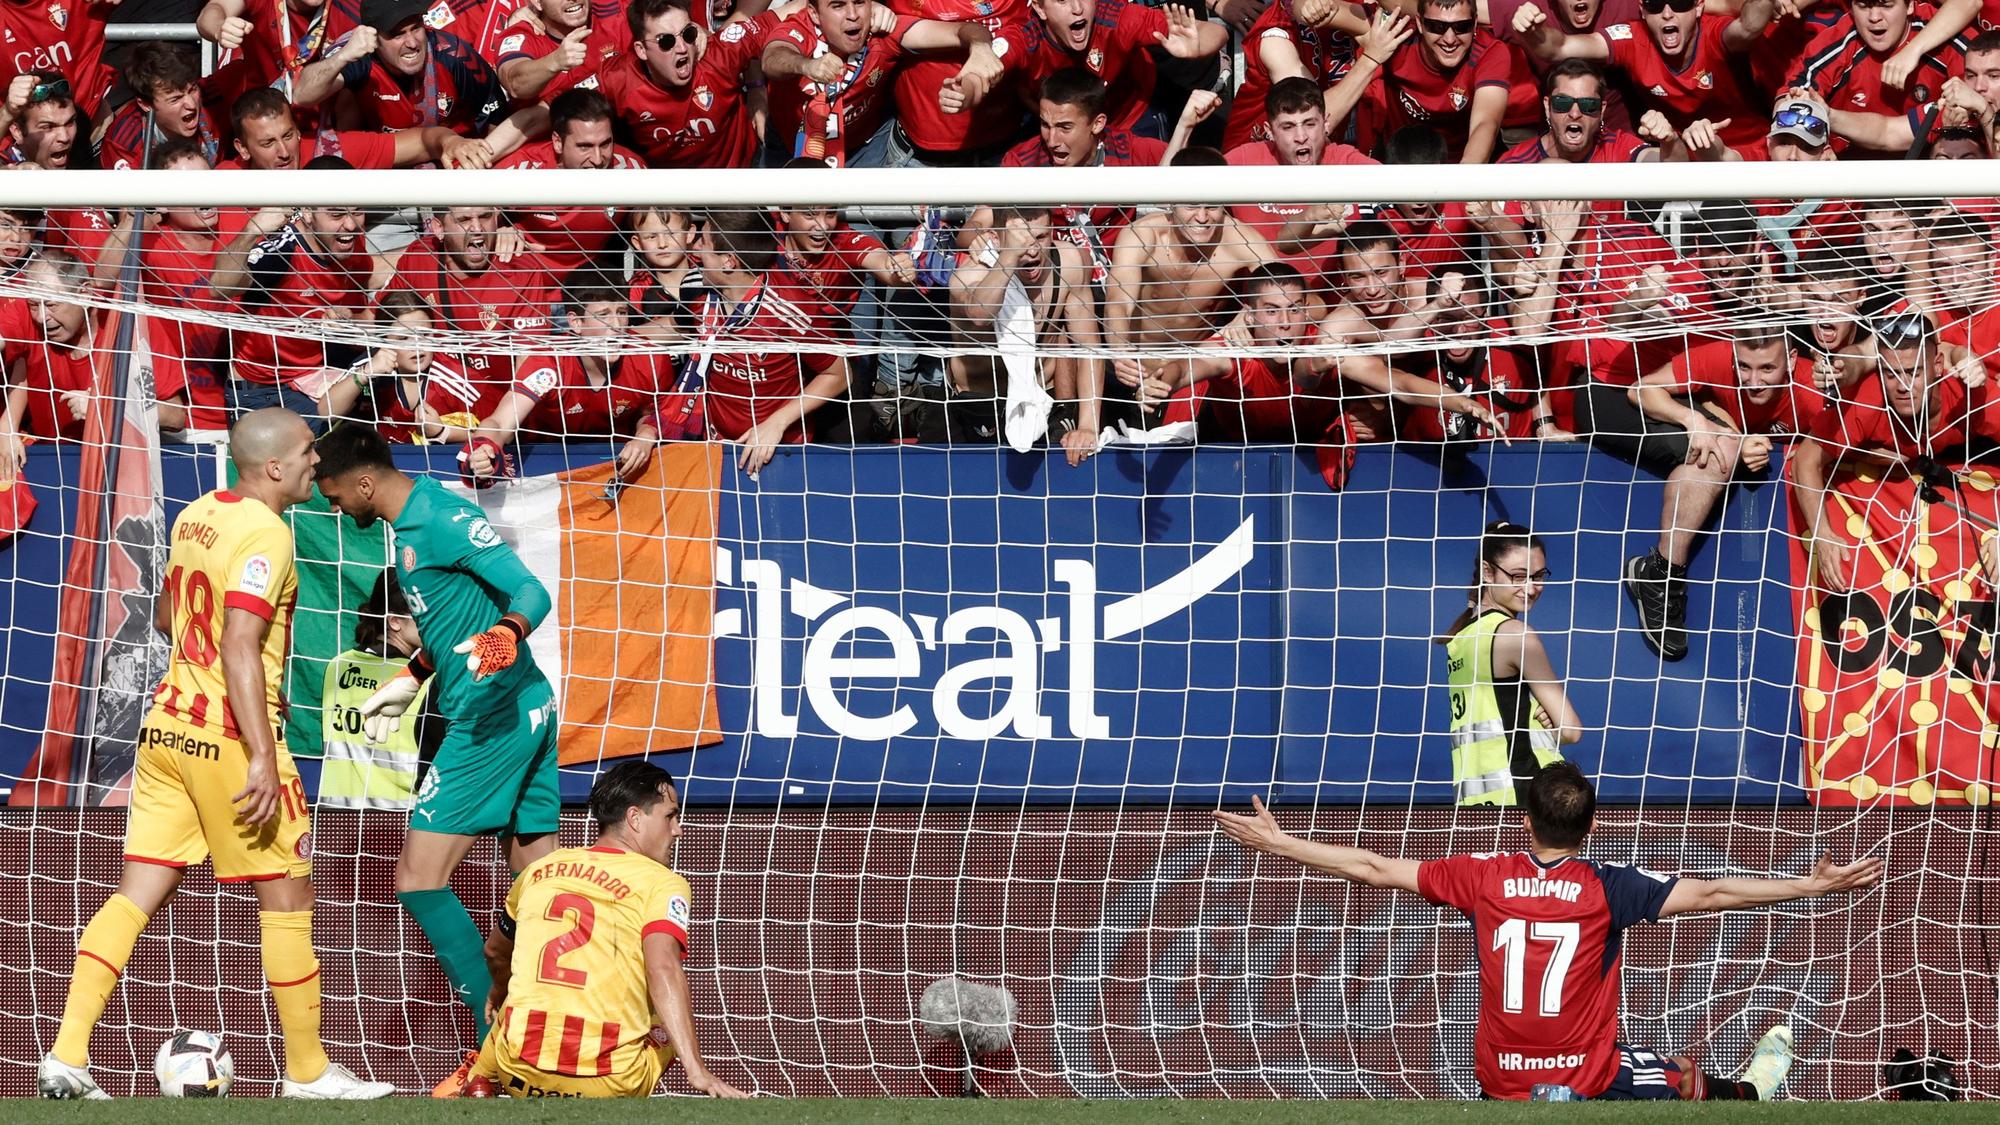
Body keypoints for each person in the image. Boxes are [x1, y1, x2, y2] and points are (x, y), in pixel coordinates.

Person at [39, 409, 394, 1101]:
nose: (316, 463)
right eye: (305, 454)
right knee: (289, 896)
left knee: (135, 893)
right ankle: (309, 1071)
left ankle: (67, 1055)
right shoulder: (267, 534)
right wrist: (263, 749)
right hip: (227, 739)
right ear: (273, 467)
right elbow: (237, 642)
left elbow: (172, 617)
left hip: (167, 726)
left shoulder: (197, 512)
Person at [1213, 760, 1884, 1099]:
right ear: (1592, 828)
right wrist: (1808, 884)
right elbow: (1711, 891)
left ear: (1524, 822)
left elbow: (1371, 866)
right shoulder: (1607, 886)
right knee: (1678, 1072)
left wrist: (1283, 845)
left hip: (1500, 1079)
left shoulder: (1483, 876)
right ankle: (1752, 1093)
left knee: (1628, 1060)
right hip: (1583, 1076)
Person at [311, 421, 560, 1078]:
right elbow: (455, 622)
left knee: (417, 878)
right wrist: (415, 675)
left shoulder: (444, 518)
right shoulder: (409, 533)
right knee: (540, 890)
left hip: (493, 719)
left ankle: (497, 1047)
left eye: (336, 497)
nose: (337, 509)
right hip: (525, 708)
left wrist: (498, 645)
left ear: (364, 482)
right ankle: (561, 1036)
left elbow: (532, 593)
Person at [446, 761, 749, 1098]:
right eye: (670, 816)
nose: (677, 829)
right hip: (605, 1085)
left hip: (519, 1074)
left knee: (512, 998)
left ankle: (478, 1076)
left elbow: (494, 953)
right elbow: (663, 966)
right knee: (661, 1016)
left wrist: (496, 993)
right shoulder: (663, 883)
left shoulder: (539, 869)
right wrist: (698, 1071)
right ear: (635, 818)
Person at [1622, 331, 1826, 660]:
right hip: (1715, 443)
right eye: (1744, 367)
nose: (1753, 381)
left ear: (1790, 360)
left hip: (1783, 517)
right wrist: (1698, 420)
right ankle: (1660, 574)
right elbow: (1641, 388)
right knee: (1717, 450)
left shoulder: (1813, 392)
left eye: (1767, 369)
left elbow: (1844, 448)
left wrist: (1792, 451)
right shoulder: (1717, 357)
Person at [1433, 522, 1581, 806]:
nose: (1531, 588)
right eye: (1518, 576)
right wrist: (1547, 719)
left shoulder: (1460, 639)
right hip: (1528, 799)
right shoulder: (1515, 634)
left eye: (1538, 576)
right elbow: (1571, 730)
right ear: (1488, 572)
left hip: (1473, 802)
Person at [319, 566, 435, 810]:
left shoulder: (336, 666)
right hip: (403, 817)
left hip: (337, 814)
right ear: (394, 621)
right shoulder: (420, 681)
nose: (432, 620)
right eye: (422, 612)